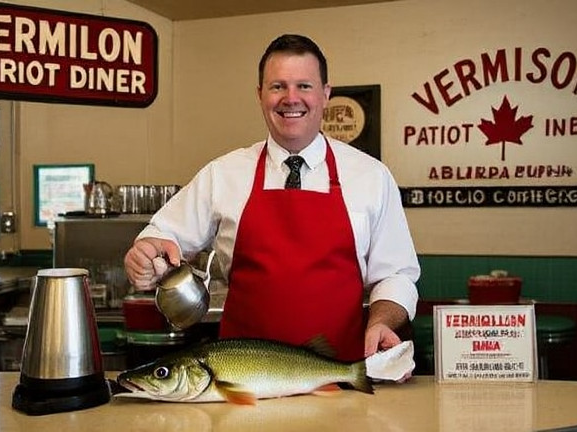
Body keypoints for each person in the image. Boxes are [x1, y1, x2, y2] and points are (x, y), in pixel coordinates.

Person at [124, 34, 420, 362]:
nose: (291, 98)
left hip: (339, 376)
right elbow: (161, 236)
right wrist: (146, 253)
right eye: (278, 86)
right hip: (243, 379)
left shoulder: (371, 176)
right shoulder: (223, 174)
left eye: (304, 86)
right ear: (260, 95)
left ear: (325, 94)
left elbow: (396, 275)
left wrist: (381, 323)